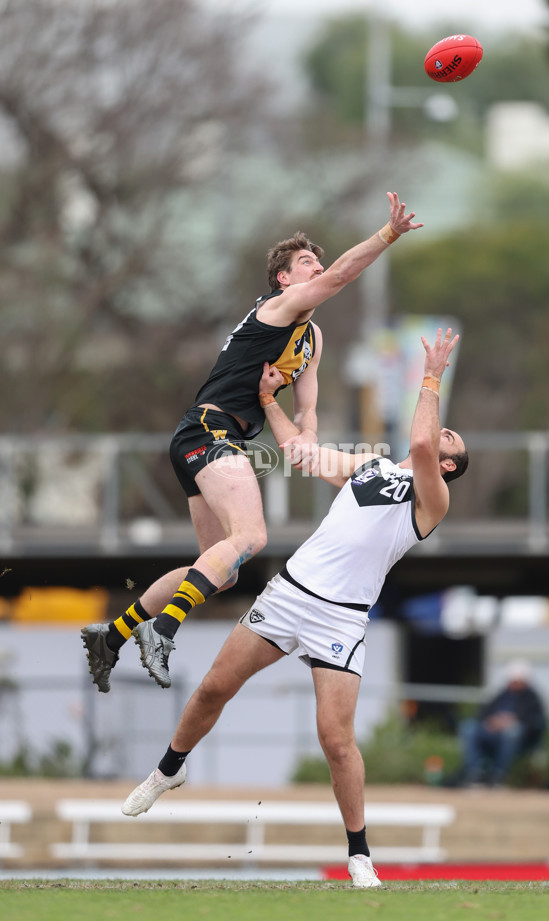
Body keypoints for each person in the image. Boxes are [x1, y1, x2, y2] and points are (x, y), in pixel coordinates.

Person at [119, 328, 468, 889]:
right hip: (289, 594)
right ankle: (167, 772)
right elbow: (300, 454)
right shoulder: (372, 467)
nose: (441, 436)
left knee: (335, 740)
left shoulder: (432, 498)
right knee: (213, 688)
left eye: (452, 440)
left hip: (341, 617)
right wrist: (265, 400)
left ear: (450, 468)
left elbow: (424, 446)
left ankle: (359, 856)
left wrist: (431, 376)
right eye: (445, 429)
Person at [81, 193, 424, 694]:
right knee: (252, 538)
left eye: (318, 261)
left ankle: (112, 635)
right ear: (283, 279)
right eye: (307, 262)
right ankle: (163, 629)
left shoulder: (312, 338)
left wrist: (304, 438)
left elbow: (306, 409)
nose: (319, 268)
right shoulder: (280, 308)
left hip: (208, 437)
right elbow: (343, 276)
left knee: (218, 571)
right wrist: (387, 234)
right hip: (210, 431)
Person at [458, 659, 547, 787]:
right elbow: (482, 712)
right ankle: (475, 772)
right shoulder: (502, 694)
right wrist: (491, 721)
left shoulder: (532, 698)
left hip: (517, 737)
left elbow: (535, 721)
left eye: (518, 680)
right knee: (468, 727)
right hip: (492, 732)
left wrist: (511, 721)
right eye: (513, 680)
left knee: (513, 732)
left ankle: (498, 774)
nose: (514, 683)